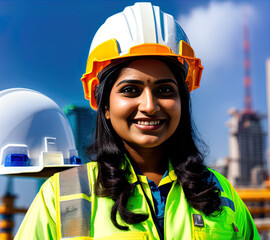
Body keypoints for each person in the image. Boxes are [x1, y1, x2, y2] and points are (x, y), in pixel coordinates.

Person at [15, 2, 260, 240]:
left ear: (182, 102)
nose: (150, 106)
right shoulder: (60, 196)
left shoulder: (220, 192)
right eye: (130, 90)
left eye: (165, 90)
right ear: (106, 107)